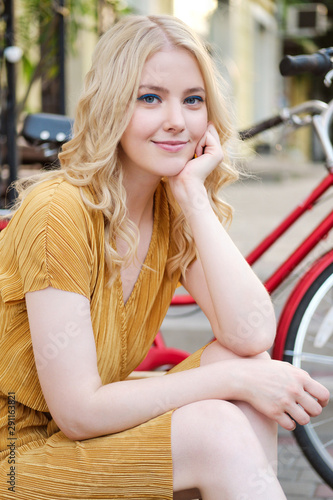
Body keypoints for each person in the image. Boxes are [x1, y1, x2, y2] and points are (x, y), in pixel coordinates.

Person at [0, 14, 329, 500]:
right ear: (112, 105)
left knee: (244, 362)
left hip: (72, 437)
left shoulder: (170, 208)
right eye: (150, 97)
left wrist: (194, 197)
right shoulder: (60, 212)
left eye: (193, 100)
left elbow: (252, 334)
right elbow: (78, 412)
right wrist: (236, 379)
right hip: (14, 456)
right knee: (221, 419)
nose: (177, 119)